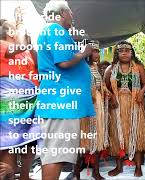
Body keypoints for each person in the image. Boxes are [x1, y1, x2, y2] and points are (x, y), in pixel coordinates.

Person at [36, 1, 95, 179]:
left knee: (57, 153)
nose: (72, 16)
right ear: (61, 13)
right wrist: (85, 52)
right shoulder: (55, 30)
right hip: (61, 103)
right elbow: (64, 62)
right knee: (57, 154)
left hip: (62, 103)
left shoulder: (51, 31)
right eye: (70, 12)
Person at [0, 9, 40, 180]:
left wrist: (29, 42)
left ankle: (24, 176)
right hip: (12, 95)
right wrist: (21, 23)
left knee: (30, 140)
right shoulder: (2, 45)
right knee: (10, 140)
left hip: (31, 97)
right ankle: (6, 176)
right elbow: (21, 44)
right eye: (14, 28)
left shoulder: (23, 51)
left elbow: (38, 64)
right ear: (10, 32)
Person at [104, 41, 145, 177]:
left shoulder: (138, 67)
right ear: (117, 53)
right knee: (118, 135)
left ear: (132, 53)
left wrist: (141, 92)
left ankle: (138, 167)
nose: (124, 52)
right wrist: (111, 97)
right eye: (121, 50)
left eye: (127, 50)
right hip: (117, 107)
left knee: (137, 134)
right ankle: (119, 167)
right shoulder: (110, 69)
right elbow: (105, 87)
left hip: (135, 104)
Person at [73, 41, 108, 180]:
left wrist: (105, 92)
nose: (97, 54)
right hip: (85, 106)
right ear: (87, 52)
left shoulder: (96, 67)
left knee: (97, 138)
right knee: (82, 141)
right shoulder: (80, 67)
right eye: (94, 51)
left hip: (97, 106)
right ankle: (76, 173)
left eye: (98, 51)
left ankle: (96, 172)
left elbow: (101, 85)